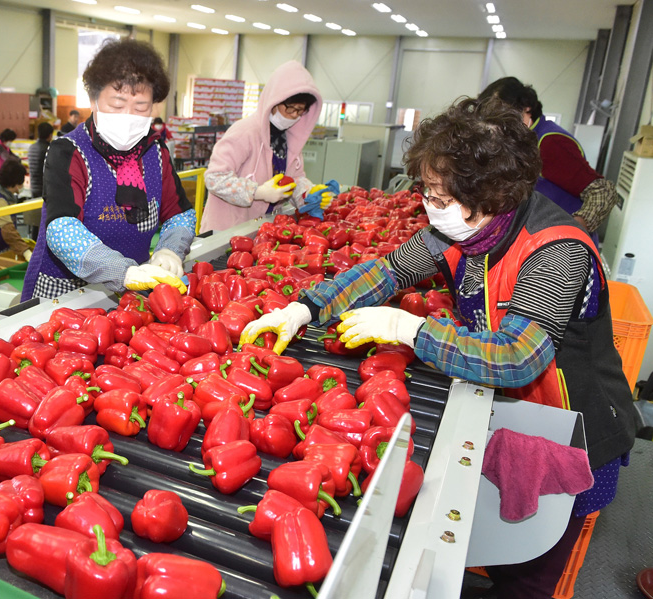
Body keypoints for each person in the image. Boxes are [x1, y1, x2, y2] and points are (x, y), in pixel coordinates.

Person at [240, 97, 638, 599]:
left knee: (532, 569)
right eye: (427, 190)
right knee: (497, 540)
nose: (429, 206)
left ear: (493, 194)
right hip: (512, 413)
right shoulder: (462, 231)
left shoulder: (556, 250)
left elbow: (519, 356)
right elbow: (388, 271)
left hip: (573, 428)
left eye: (441, 196)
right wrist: (305, 308)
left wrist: (413, 331)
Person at [21, 38, 195, 301]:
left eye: (141, 107)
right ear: (93, 100)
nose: (128, 116)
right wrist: (122, 271)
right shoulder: (69, 151)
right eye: (117, 105)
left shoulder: (156, 153)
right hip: (66, 292)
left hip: (132, 290)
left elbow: (180, 215)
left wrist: (170, 249)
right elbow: (62, 228)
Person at [478, 77, 617, 246]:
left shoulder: (549, 141)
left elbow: (603, 191)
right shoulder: (520, 141)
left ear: (526, 107)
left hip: (560, 248)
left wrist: (571, 231)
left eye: (502, 111)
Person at [199, 60, 321, 233]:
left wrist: (309, 194)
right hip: (226, 232)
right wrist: (258, 192)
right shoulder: (245, 132)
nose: (294, 115)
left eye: (300, 111)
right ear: (274, 100)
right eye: (290, 108)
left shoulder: (288, 138)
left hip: (262, 232)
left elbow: (294, 179)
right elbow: (214, 178)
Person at [25, 121, 54, 239]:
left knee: (36, 219)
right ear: (50, 135)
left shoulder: (32, 147)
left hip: (34, 186)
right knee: (44, 218)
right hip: (45, 188)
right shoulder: (48, 149)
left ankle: (34, 241)